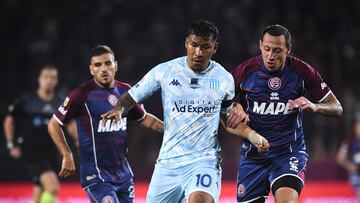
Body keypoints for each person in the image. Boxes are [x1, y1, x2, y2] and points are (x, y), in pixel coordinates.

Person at [102, 20, 269, 203]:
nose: (198, 52)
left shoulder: (223, 79)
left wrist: (253, 136)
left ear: (215, 47)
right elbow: (131, 96)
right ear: (186, 43)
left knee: (199, 199)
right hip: (168, 164)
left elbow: (227, 119)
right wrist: (119, 108)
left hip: (204, 162)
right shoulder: (166, 71)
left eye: (205, 47)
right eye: (194, 45)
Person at [230, 24, 343, 203]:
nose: (270, 56)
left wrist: (315, 106)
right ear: (260, 45)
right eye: (266, 49)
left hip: (288, 154)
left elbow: (337, 108)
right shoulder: (245, 71)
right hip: (253, 156)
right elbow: (221, 106)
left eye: (277, 50)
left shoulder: (302, 71)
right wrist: (235, 105)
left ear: (288, 49)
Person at [47, 45, 164, 203]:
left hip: (124, 176)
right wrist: (66, 154)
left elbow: (145, 119)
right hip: (96, 177)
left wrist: (174, 130)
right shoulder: (81, 95)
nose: (104, 69)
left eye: (108, 63)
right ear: (91, 70)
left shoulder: (125, 92)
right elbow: (54, 124)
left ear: (116, 65)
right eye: (98, 65)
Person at [3, 65, 76, 203]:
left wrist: (78, 140)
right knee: (53, 187)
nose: (49, 80)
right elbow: (9, 120)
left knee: (39, 191)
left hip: (53, 152)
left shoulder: (60, 101)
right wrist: (11, 144)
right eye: (45, 77)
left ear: (56, 81)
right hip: (32, 152)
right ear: (39, 79)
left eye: (52, 77)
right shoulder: (27, 100)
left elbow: (71, 124)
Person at [337, 118, 360, 201]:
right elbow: (340, 158)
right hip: (355, 174)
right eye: (358, 127)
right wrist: (350, 165)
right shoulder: (349, 142)